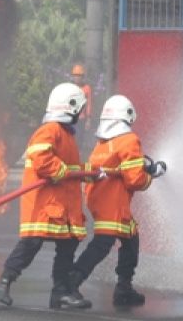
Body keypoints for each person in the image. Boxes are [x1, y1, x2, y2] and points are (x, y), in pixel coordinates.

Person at [0, 83, 92, 310]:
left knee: (68, 245)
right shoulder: (50, 130)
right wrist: (63, 171)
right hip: (43, 204)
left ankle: (60, 293)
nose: (82, 114)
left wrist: (90, 172)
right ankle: (4, 283)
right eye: (80, 109)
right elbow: (41, 158)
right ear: (71, 107)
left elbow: (71, 166)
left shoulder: (66, 135)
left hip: (59, 205)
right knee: (31, 244)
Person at [67, 95, 166, 308]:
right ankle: (71, 283)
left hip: (99, 198)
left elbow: (121, 168)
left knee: (131, 239)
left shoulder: (102, 143)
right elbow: (134, 180)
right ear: (128, 116)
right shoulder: (129, 140)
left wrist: (143, 167)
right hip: (113, 202)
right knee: (102, 244)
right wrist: (153, 174)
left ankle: (124, 288)